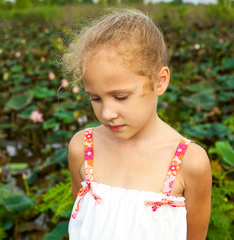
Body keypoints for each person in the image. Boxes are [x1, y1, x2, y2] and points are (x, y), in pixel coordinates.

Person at [61, 8, 212, 240]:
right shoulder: (82, 148)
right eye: (95, 98)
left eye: (120, 97)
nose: (107, 113)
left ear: (159, 81)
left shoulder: (189, 162)